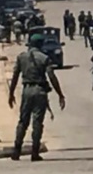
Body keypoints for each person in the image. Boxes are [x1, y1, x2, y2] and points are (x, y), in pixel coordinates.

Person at [8, 33, 66, 161]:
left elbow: (15, 77)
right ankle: (34, 152)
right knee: (37, 122)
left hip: (26, 90)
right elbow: (51, 77)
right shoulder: (44, 58)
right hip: (40, 91)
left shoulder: (21, 57)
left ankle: (16, 151)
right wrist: (60, 94)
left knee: (23, 121)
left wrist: (11, 93)